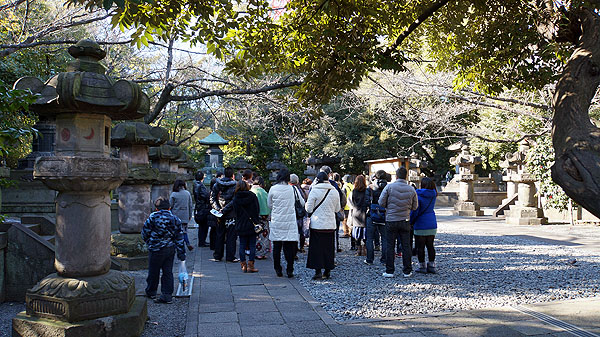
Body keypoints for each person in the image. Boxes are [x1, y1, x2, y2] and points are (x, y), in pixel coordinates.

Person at [142, 197, 186, 304]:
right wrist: (181, 253)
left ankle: (151, 291)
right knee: (167, 272)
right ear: (169, 208)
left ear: (157, 208)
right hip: (169, 248)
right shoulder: (175, 219)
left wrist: (150, 242)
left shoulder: (152, 218)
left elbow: (145, 232)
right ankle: (167, 295)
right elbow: (179, 237)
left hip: (155, 248)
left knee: (153, 271)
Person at [379, 167, 418, 278]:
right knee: (406, 246)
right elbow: (415, 206)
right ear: (406, 176)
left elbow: (381, 202)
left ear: (396, 176)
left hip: (391, 219)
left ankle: (390, 271)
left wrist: (389, 207)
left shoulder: (389, 187)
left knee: (390, 245)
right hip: (405, 219)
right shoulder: (411, 189)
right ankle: (407, 271)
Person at [268, 168, 303, 278]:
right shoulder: (293, 189)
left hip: (277, 221)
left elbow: (269, 205)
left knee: (277, 247)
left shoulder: (273, 189)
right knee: (289, 248)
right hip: (290, 222)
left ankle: (278, 269)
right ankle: (290, 269)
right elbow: (302, 202)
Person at [305, 171, 340, 280]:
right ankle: (327, 270)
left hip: (317, 224)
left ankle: (318, 271)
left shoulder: (314, 191)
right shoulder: (334, 191)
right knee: (328, 248)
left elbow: (309, 209)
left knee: (316, 248)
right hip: (330, 224)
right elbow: (337, 209)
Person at [223, 180, 261, 272]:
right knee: (252, 245)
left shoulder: (236, 198)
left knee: (242, 245)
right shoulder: (252, 196)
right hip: (252, 223)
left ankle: (243, 265)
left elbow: (235, 211)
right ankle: (251, 265)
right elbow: (257, 209)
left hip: (240, 223)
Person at [210, 167, 239, 262]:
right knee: (231, 236)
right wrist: (225, 210)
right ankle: (230, 256)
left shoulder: (216, 184)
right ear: (232, 175)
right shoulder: (236, 186)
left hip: (219, 214)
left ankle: (218, 255)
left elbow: (212, 198)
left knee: (219, 234)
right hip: (231, 213)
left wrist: (218, 209)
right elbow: (235, 200)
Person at [411, 177, 438, 274]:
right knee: (430, 246)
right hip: (431, 222)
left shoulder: (418, 195)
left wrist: (411, 220)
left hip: (420, 223)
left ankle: (422, 266)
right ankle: (431, 265)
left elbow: (416, 211)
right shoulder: (433, 195)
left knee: (420, 246)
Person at [364, 170, 388, 265]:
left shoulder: (370, 188)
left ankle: (370, 259)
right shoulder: (388, 187)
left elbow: (366, 202)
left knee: (369, 238)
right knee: (385, 238)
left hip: (372, 214)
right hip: (384, 214)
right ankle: (384, 259)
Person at [170, 179, 194, 251]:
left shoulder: (174, 194)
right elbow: (190, 205)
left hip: (175, 215)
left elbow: (170, 205)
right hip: (185, 215)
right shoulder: (187, 193)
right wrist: (190, 215)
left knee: (175, 232)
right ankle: (187, 243)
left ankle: (175, 246)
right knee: (184, 231)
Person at [251, 176, 271, 260]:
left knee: (255, 236)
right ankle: (262, 253)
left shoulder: (251, 191)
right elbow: (268, 204)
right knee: (264, 235)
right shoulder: (263, 192)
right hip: (264, 216)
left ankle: (256, 252)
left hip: (254, 216)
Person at [348, 175, 368, 256]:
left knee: (357, 233)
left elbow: (350, 203)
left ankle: (358, 249)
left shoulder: (353, 192)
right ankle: (365, 249)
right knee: (365, 234)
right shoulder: (367, 191)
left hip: (356, 214)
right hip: (365, 213)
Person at [290, 173, 306, 254]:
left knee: (294, 232)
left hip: (292, 213)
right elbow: (303, 202)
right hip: (299, 213)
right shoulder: (299, 189)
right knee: (301, 231)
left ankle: (295, 249)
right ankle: (302, 247)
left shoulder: (288, 189)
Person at [193, 171, 211, 247]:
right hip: (203, 207)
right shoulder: (200, 185)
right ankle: (202, 241)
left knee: (202, 226)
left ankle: (201, 241)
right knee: (204, 225)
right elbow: (205, 196)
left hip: (199, 206)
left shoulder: (195, 185)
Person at [341, 175, 355, 248]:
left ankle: (346, 232)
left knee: (345, 220)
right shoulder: (352, 186)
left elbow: (343, 196)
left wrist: (342, 206)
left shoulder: (344, 187)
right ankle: (350, 231)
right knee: (350, 220)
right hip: (352, 206)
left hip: (346, 205)